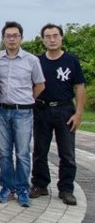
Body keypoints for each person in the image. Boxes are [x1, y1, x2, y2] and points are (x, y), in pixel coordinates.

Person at [30, 23, 86, 206]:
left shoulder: (71, 61)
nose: (52, 39)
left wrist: (78, 113)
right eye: (48, 36)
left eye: (55, 36)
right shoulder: (37, 61)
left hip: (64, 110)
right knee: (39, 150)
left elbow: (79, 87)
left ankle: (66, 189)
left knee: (67, 153)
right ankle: (40, 184)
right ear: (43, 39)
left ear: (61, 38)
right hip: (42, 109)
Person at [0, 21, 45, 207]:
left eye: (15, 35)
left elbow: (40, 84)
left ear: (21, 38)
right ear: (3, 38)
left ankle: (23, 188)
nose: (12, 39)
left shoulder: (32, 60)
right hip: (2, 111)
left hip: (23, 112)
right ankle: (7, 187)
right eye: (8, 36)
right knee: (4, 153)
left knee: (23, 153)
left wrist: (27, 98)